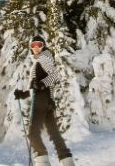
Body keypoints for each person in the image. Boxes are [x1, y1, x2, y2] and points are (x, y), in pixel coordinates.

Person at [14, 35, 75, 166]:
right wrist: (23, 94)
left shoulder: (43, 58)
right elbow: (35, 88)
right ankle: (67, 161)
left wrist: (41, 84)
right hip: (47, 101)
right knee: (53, 133)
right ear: (30, 47)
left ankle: (42, 162)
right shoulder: (39, 61)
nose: (36, 48)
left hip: (42, 100)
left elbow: (54, 74)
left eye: (39, 45)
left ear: (43, 46)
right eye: (33, 45)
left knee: (32, 133)